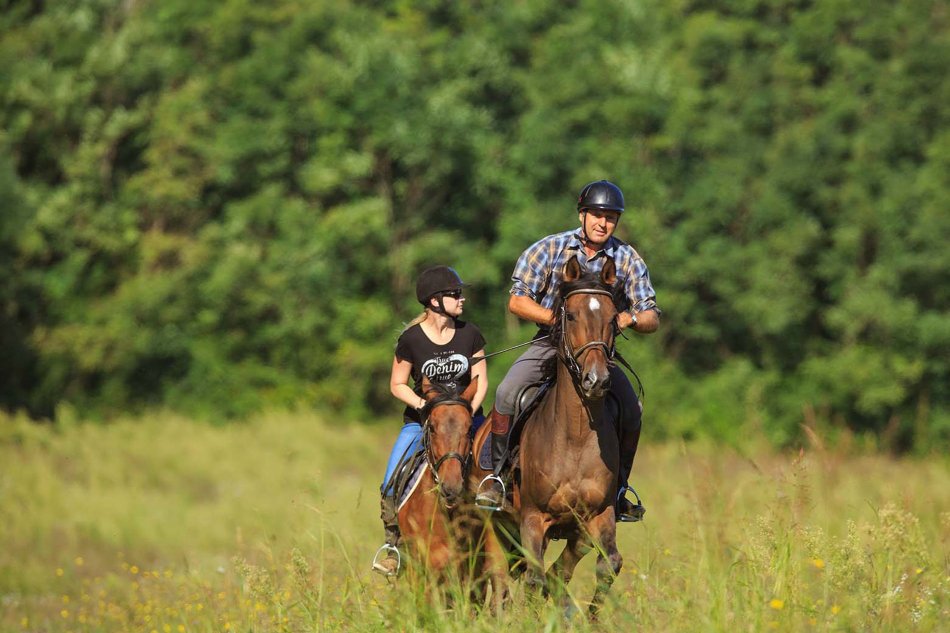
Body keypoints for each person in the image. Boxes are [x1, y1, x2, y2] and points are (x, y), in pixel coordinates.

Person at [475, 180, 660, 522]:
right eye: (596, 215)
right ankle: (496, 479)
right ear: (582, 215)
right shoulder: (549, 249)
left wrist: (628, 317)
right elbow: (517, 301)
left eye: (610, 217)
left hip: (597, 351)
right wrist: (557, 321)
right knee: (506, 392)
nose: (603, 223)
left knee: (631, 410)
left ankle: (619, 490)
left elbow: (651, 314)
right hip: (550, 341)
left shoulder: (628, 258)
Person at [372, 265, 489, 576]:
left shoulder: (471, 333)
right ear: (435, 301)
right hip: (422, 422)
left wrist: (468, 412)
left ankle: (508, 533)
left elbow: (482, 381)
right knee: (390, 480)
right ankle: (393, 546)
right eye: (455, 294)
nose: (461, 299)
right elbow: (397, 384)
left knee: (499, 463)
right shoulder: (411, 339)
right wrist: (424, 406)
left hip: (467, 420)